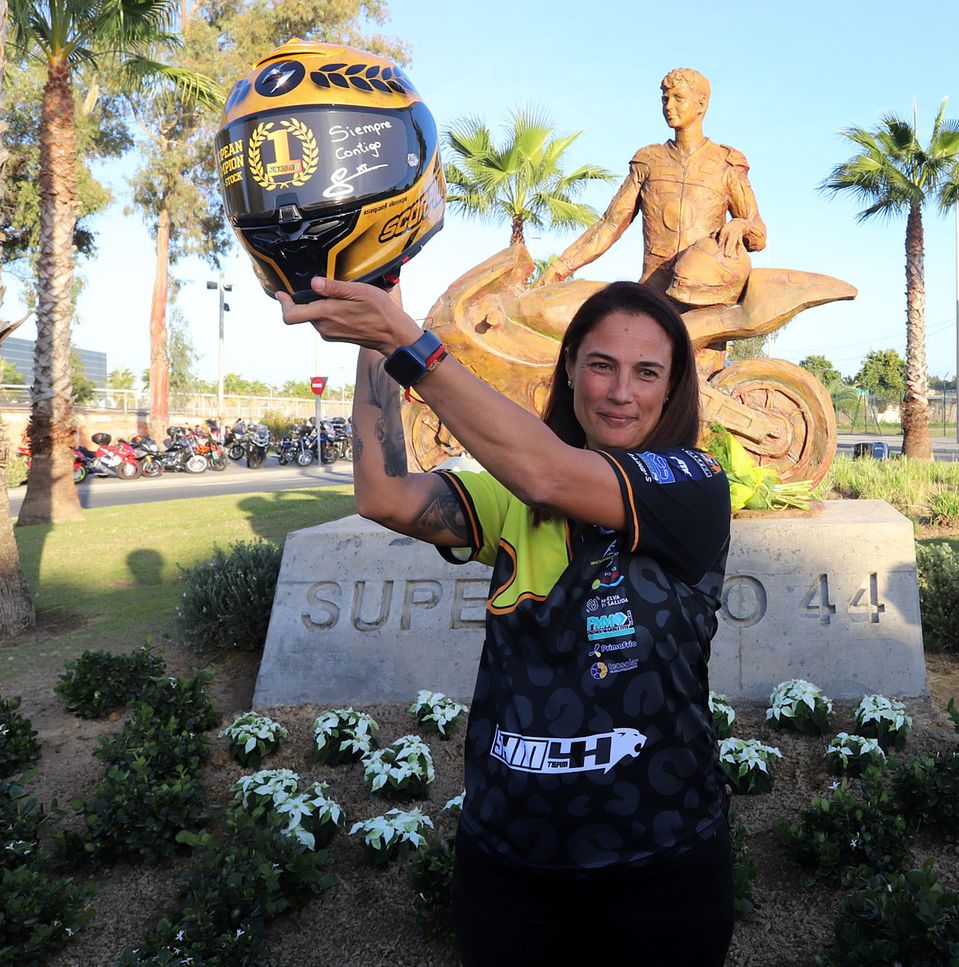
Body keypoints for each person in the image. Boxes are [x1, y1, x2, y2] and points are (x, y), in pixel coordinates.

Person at [279, 276, 735, 966]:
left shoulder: (691, 483)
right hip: (506, 867)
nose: (620, 391)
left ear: (671, 392)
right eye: (602, 364)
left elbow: (546, 473)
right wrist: (378, 330)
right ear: (572, 371)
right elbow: (383, 495)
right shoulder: (513, 500)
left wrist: (409, 339)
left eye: (647, 373)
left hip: (659, 864)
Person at [532, 67, 767, 309]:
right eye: (665, 99)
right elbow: (610, 225)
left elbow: (759, 236)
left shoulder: (725, 163)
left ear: (701, 104)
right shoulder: (648, 161)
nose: (669, 106)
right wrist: (560, 267)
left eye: (678, 98)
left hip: (704, 307)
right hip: (652, 300)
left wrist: (741, 224)